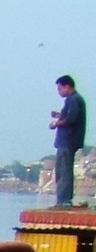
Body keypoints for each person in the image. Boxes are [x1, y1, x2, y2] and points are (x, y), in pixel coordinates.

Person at [54, 76, 87, 207]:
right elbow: (69, 116)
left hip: (68, 140)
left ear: (67, 86)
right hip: (67, 140)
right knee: (62, 170)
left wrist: (56, 124)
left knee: (64, 171)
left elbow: (71, 119)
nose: (59, 92)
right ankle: (62, 199)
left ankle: (64, 201)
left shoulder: (74, 100)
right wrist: (59, 115)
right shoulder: (72, 100)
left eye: (60, 88)